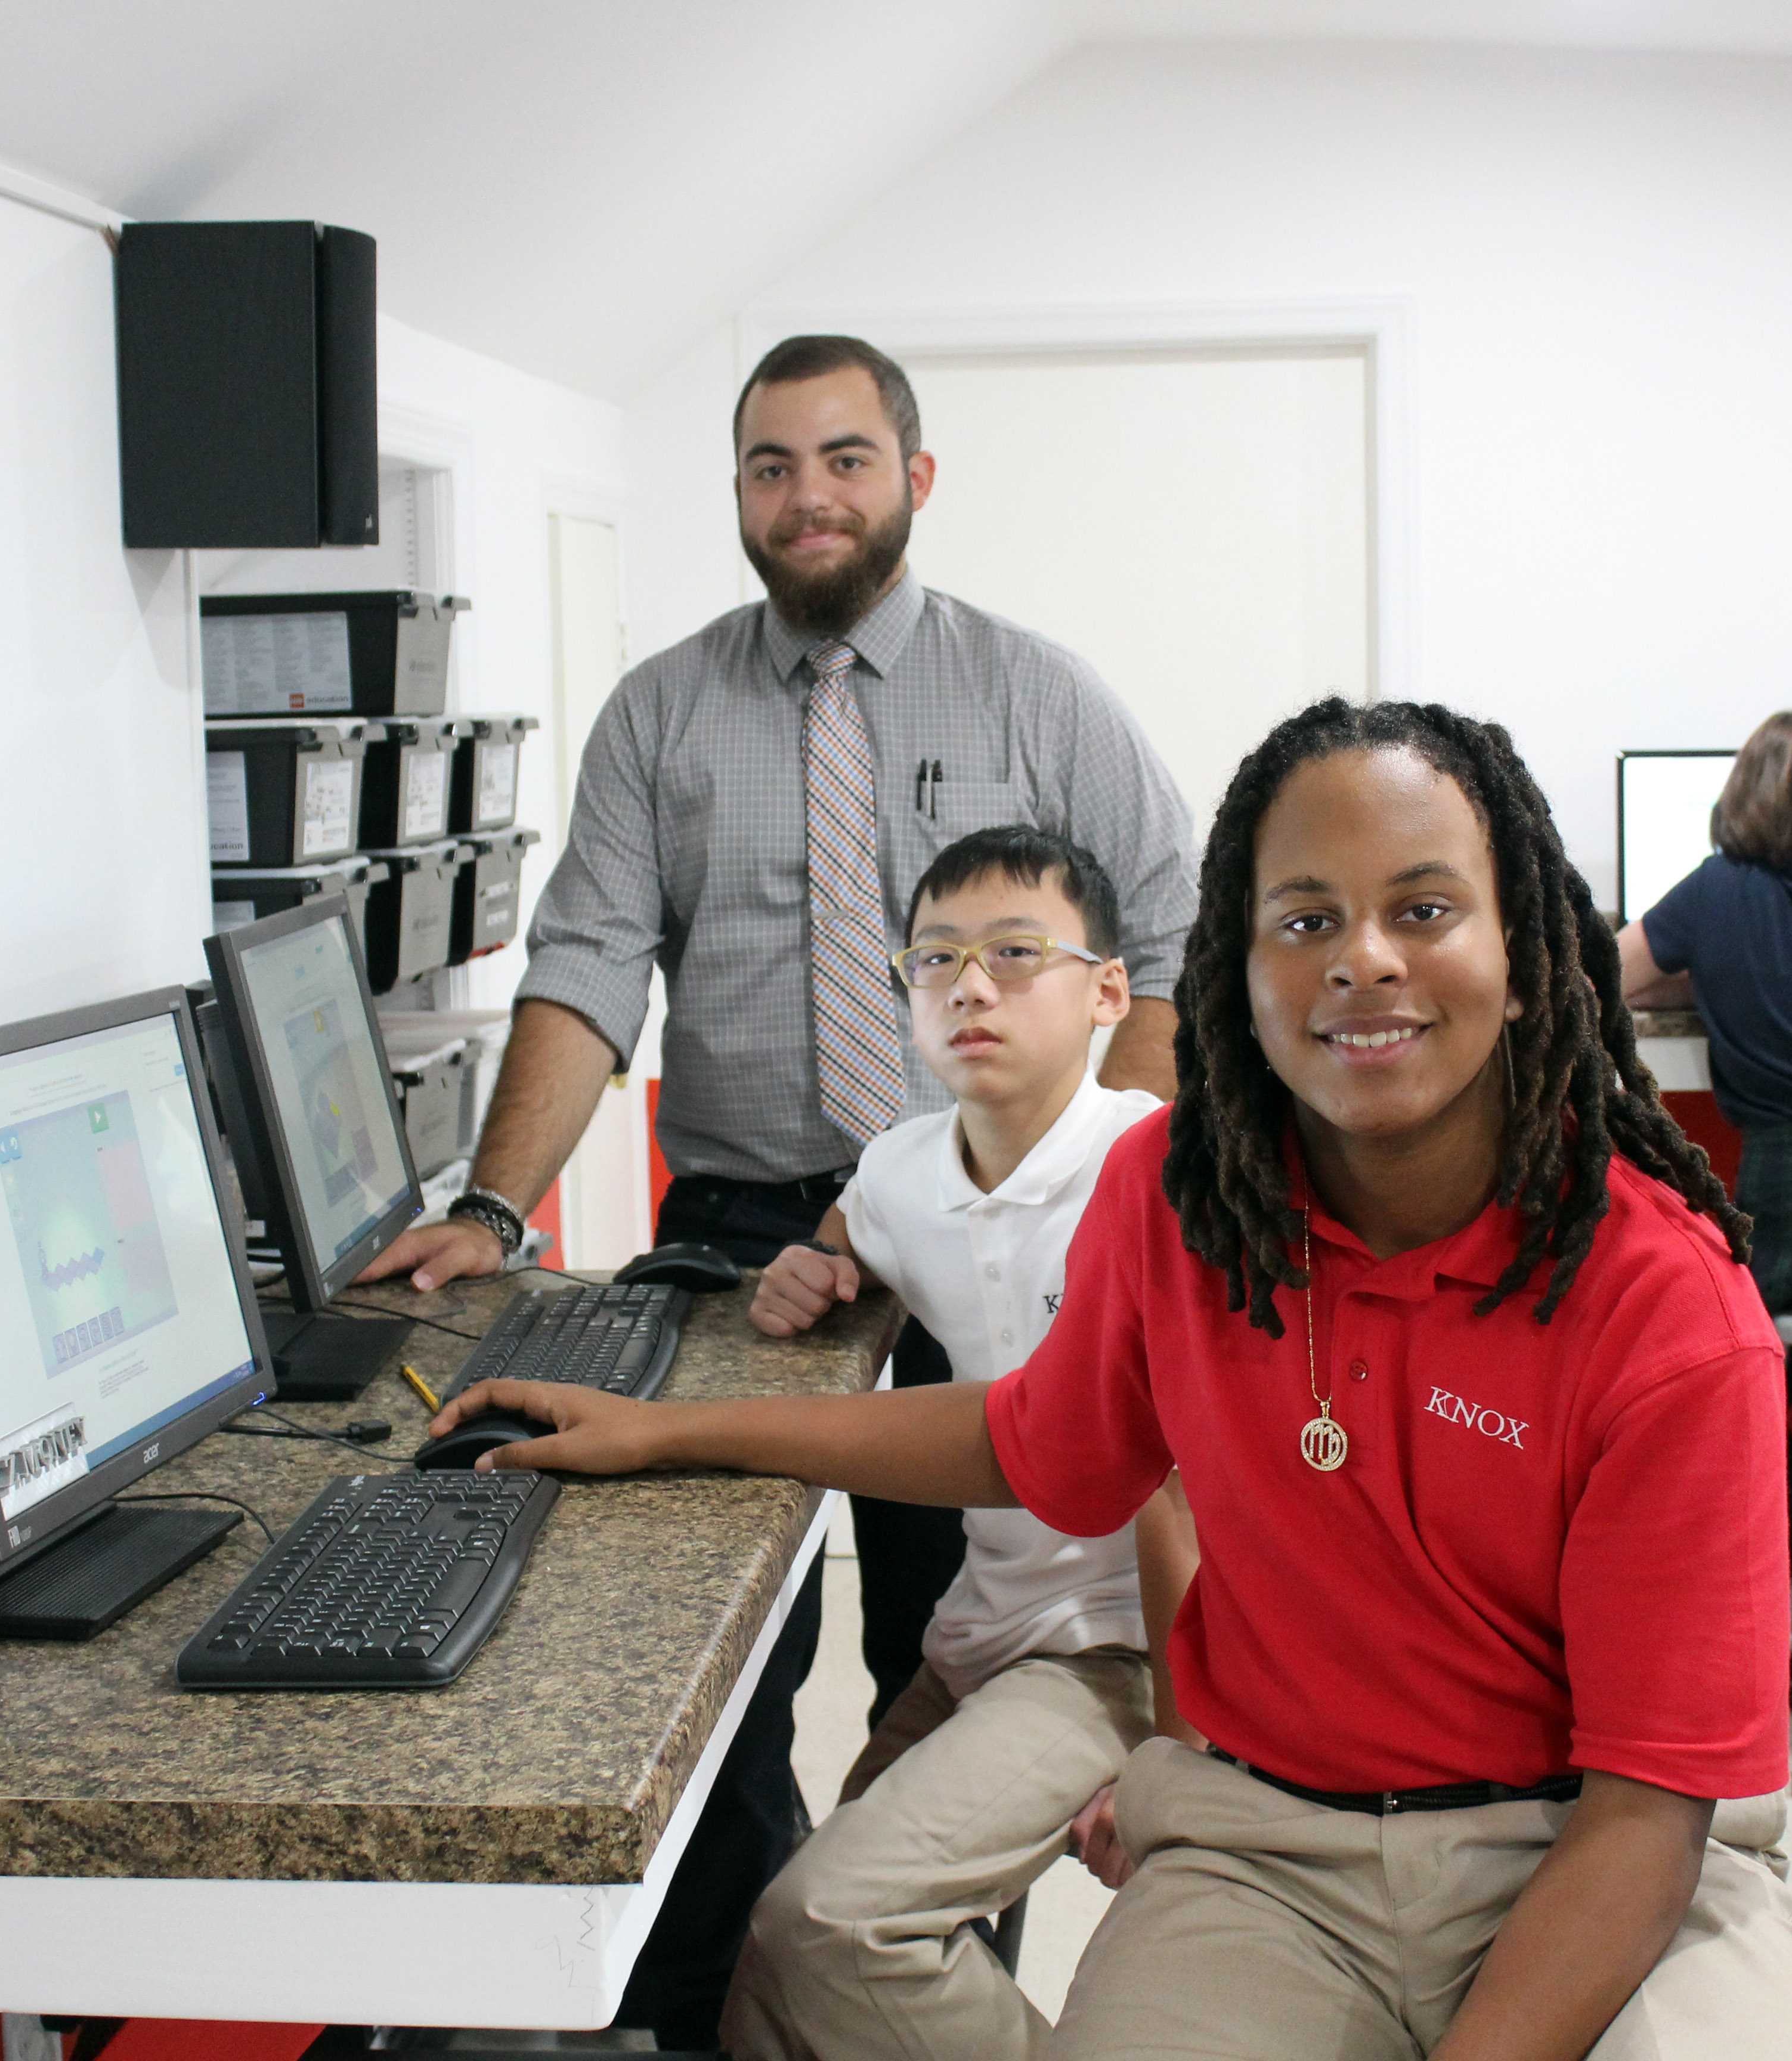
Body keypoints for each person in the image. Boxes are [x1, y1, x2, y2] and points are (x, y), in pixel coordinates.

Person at [430, 697, 1792, 2060]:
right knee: (817, 1937)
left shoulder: (1663, 1301)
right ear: (1236, 968)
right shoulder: (1177, 1198)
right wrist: (676, 1432)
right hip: (1274, 1857)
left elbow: (1649, 1811)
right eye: (1304, 921)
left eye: (1423, 909)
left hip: (1602, 1852)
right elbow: (1034, 1440)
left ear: (1527, 952)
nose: (1362, 961)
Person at [360, 333, 1198, 2047]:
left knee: (949, 1649)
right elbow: (587, 968)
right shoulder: (664, 711)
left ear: (914, 477)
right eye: (769, 465)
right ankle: (712, 2005)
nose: (806, 496)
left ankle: (911, 1994)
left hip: (982, 1214)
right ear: (736, 488)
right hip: (755, 1230)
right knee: (709, 1656)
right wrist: (497, 1208)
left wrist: (1091, 1200)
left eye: (843, 459)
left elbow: (1169, 948)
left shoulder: (1040, 696)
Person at [725, 824, 1200, 2061]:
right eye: (935, 960)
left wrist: (1180, 1758)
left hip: (1123, 1650)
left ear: (1108, 992)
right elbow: (860, 1213)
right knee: (770, 1979)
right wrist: (817, 1263)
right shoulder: (902, 1169)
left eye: (1014, 952)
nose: (969, 986)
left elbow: (1194, 1497)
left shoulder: (1156, 1168)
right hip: (982, 1631)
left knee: (831, 1924)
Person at [1618, 708, 1792, 1710]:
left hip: (1785, 1196)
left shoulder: (1716, 894)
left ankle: (1768, 1586)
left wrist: (1698, 961)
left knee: (1750, 1378)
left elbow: (1602, 975)